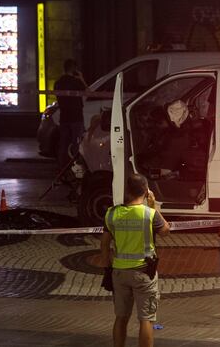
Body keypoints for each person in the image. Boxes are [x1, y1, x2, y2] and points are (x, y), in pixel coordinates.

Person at [99, 173, 170, 347]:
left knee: (121, 318)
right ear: (146, 192)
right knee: (146, 319)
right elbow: (166, 231)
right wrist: (153, 205)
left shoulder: (112, 213)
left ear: (127, 191)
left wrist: (107, 268)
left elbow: (104, 245)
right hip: (144, 272)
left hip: (119, 273)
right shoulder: (150, 214)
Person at [54, 59, 87, 169]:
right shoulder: (75, 82)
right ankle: (76, 166)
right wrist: (81, 78)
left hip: (64, 117)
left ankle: (61, 166)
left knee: (63, 143)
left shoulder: (58, 82)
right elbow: (87, 91)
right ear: (73, 69)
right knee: (76, 143)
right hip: (76, 116)